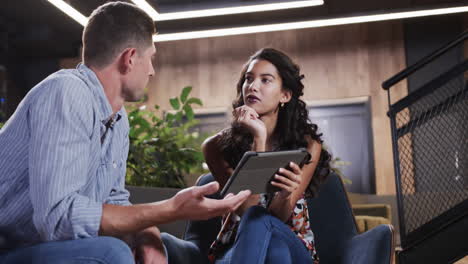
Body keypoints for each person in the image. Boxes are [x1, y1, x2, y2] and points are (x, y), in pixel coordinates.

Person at [0, 2, 250, 264]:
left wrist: (145, 233)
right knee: (113, 253)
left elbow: (113, 198)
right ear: (130, 58)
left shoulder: (117, 119)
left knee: (154, 244)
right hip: (9, 245)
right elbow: (58, 218)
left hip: (39, 245)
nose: (152, 70)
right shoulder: (67, 92)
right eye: (151, 58)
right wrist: (169, 209)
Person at [202, 48, 331, 263]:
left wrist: (284, 195)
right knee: (273, 251)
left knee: (277, 245)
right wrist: (258, 140)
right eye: (248, 79)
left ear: (285, 95)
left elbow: (277, 219)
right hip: (238, 245)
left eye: (265, 80)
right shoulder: (216, 147)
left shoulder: (308, 145)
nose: (252, 86)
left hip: (293, 246)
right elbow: (246, 210)